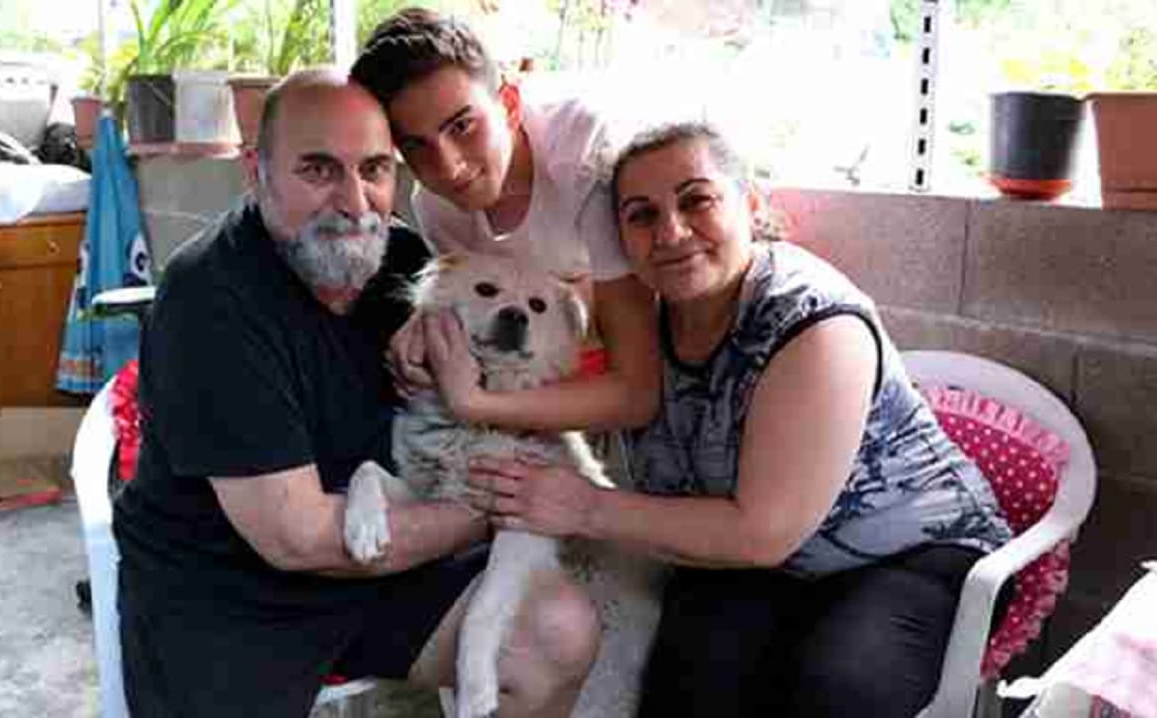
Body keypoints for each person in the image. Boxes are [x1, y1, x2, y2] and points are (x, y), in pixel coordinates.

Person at [467, 122, 1015, 717]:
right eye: (642, 215)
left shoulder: (814, 323)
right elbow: (529, 345)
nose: (671, 232)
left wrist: (584, 506)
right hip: (756, 561)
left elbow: (763, 532)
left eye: (696, 199)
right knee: (688, 682)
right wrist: (432, 353)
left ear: (750, 206)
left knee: (838, 690)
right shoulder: (642, 319)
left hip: (908, 553)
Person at [111, 68, 599, 718]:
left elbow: (516, 338)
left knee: (558, 632)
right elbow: (300, 540)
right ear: (255, 171)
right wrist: (499, 507)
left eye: (374, 169)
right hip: (228, 588)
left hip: (383, 557)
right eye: (319, 170)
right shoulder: (210, 300)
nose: (355, 201)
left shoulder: (398, 258)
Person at [350, 8, 660, 433]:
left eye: (462, 126)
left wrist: (473, 404)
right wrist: (423, 330)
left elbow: (637, 389)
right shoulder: (437, 206)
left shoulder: (582, 153)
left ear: (509, 105)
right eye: (416, 145)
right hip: (536, 378)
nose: (449, 166)